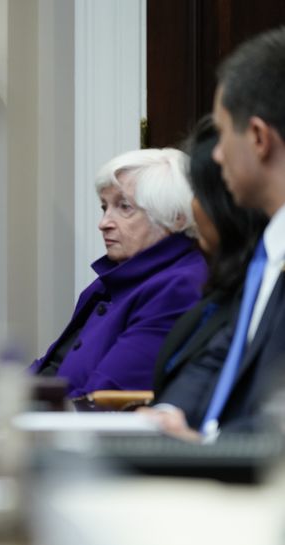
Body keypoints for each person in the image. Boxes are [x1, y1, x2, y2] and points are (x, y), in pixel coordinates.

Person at [143, 26, 285, 440]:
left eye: (223, 134)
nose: (216, 154)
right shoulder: (269, 251)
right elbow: (223, 355)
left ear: (258, 138)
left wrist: (209, 446)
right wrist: (167, 416)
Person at [30, 148, 207, 398]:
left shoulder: (179, 286)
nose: (104, 223)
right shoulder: (110, 281)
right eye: (105, 207)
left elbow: (106, 396)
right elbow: (52, 368)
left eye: (124, 207)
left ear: (176, 218)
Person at [150, 117, 266, 405]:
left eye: (197, 193)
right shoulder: (221, 291)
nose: (191, 207)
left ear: (228, 203)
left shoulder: (262, 287)